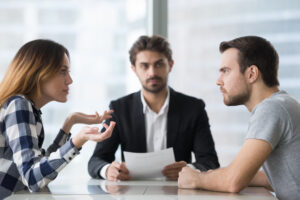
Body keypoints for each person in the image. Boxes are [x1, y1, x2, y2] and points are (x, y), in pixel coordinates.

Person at [178, 36, 300, 200]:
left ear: (251, 74)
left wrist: (196, 178)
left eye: (225, 71)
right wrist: (218, 175)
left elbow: (233, 182)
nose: (218, 81)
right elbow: (285, 176)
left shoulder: (271, 109)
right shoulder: (284, 104)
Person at [88, 35, 219, 181]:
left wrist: (189, 170)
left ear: (170, 65)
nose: (152, 73)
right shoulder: (119, 109)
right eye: (144, 66)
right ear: (134, 69)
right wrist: (108, 170)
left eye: (159, 64)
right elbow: (96, 160)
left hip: (178, 193)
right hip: (133, 194)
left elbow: (210, 162)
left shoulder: (193, 108)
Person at [0, 39, 116, 199]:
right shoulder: (19, 105)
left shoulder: (25, 107)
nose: (69, 80)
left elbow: (39, 167)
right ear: (39, 72)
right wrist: (77, 140)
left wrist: (70, 122)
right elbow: (33, 178)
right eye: (63, 71)